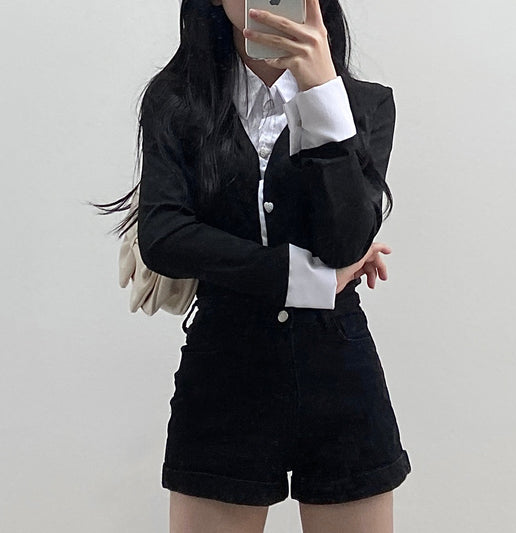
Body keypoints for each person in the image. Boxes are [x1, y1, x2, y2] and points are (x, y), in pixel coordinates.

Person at [91, 0, 411, 531]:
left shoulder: (364, 103)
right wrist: (304, 279)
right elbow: (165, 238)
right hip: (223, 368)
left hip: (337, 369)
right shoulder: (177, 100)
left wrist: (321, 92)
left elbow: (346, 241)